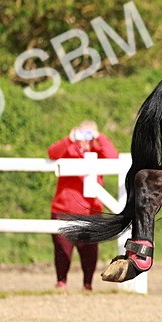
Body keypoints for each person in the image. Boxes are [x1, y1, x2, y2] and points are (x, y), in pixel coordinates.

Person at [48, 120, 119, 290]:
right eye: (82, 133)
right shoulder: (69, 150)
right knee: (62, 250)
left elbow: (113, 157)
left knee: (90, 252)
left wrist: (98, 136)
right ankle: (61, 282)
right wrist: (69, 139)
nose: (85, 138)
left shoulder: (98, 152)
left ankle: (87, 285)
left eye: (89, 134)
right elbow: (52, 153)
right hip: (63, 209)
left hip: (90, 212)